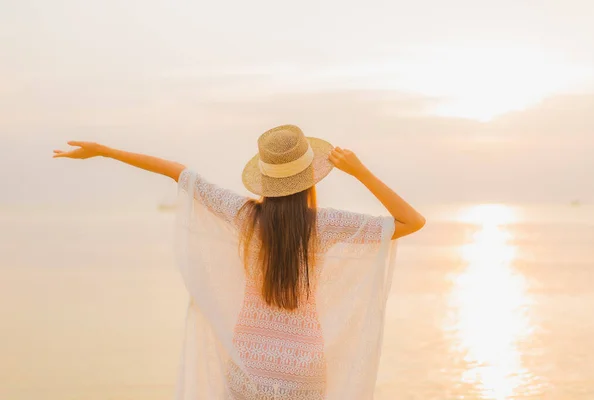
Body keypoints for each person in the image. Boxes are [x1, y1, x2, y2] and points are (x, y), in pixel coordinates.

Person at [53, 124, 425, 400]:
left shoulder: (244, 215)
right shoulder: (324, 226)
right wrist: (359, 170)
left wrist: (103, 150)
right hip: (303, 371)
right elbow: (412, 221)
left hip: (250, 367)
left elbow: (177, 172)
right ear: (311, 179)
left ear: (265, 180)